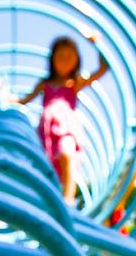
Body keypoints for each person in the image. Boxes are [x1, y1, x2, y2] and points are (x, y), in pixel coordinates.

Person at [13, 32, 109, 205]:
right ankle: (50, 201)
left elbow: (103, 68)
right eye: (61, 56)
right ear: (52, 60)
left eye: (69, 57)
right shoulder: (45, 84)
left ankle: (68, 199)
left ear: (76, 61)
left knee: (67, 154)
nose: (65, 60)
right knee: (48, 167)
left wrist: (97, 43)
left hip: (67, 126)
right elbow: (24, 100)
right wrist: (5, 96)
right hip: (47, 130)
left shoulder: (74, 83)